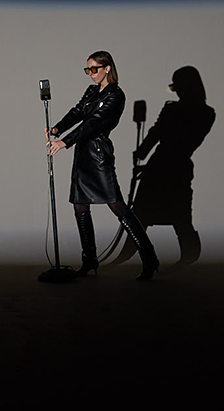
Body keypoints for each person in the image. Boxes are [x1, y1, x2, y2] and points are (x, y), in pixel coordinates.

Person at [46, 51, 159, 281]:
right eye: (87, 69)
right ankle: (89, 260)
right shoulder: (91, 91)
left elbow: (95, 123)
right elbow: (78, 112)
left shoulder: (116, 96)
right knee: (80, 207)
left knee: (117, 206)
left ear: (107, 68)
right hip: (82, 154)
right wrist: (57, 128)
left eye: (94, 69)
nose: (90, 74)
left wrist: (64, 141)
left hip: (98, 155)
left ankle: (149, 258)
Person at [129, 66, 215, 264]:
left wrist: (141, 153)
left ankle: (138, 255)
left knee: (143, 214)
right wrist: (143, 154)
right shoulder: (206, 113)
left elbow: (157, 133)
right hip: (176, 168)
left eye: (176, 87)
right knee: (177, 217)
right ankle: (185, 255)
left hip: (162, 168)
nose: (176, 92)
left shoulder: (174, 110)